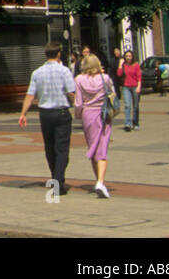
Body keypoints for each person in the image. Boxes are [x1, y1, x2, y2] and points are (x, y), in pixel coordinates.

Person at [18, 42, 77, 196]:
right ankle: (58, 181)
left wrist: (23, 113)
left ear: (46, 54)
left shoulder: (37, 73)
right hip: (61, 112)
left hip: (45, 114)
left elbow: (30, 95)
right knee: (62, 149)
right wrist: (77, 105)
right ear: (58, 54)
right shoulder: (64, 71)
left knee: (49, 148)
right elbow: (71, 92)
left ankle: (55, 178)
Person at [73, 53, 116, 198]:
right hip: (103, 115)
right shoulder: (105, 78)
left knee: (92, 146)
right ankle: (100, 181)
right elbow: (113, 93)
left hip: (87, 115)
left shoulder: (78, 80)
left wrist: (78, 114)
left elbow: (78, 102)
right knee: (102, 148)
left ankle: (98, 180)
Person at [117, 50, 141, 131]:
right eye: (126, 56)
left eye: (129, 56)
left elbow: (139, 77)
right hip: (126, 87)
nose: (128, 58)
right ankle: (128, 123)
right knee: (127, 105)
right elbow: (119, 74)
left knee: (135, 105)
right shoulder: (123, 65)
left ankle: (136, 123)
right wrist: (120, 64)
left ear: (132, 57)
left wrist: (139, 86)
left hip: (135, 86)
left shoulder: (136, 65)